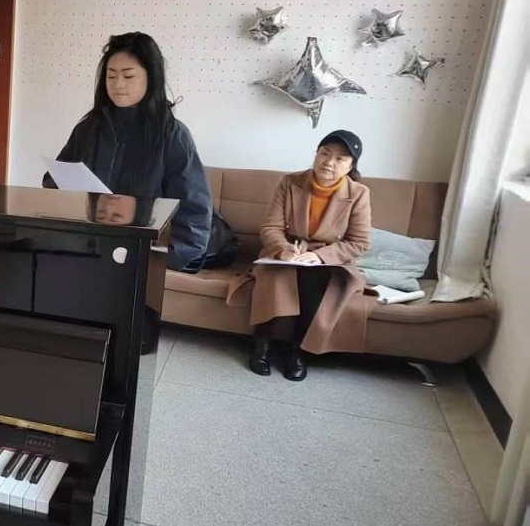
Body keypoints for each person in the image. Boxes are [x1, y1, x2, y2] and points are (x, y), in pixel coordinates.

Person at [43, 31, 213, 271]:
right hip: (85, 252)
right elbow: (53, 183)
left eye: (128, 76)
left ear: (151, 78)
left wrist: (158, 259)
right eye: (111, 76)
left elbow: (194, 214)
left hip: (138, 261)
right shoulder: (89, 128)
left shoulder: (172, 136)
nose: (117, 85)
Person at [227, 131, 373, 381]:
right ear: (316, 154)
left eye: (340, 158)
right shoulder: (290, 182)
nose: (329, 162)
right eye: (325, 153)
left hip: (329, 259)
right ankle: (261, 345)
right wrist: (283, 249)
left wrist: (320, 256)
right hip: (289, 251)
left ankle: (297, 352)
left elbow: (359, 242)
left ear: (351, 166)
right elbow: (271, 227)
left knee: (317, 280)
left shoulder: (359, 193)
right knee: (275, 274)